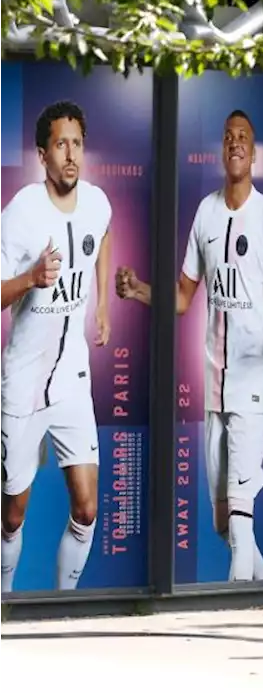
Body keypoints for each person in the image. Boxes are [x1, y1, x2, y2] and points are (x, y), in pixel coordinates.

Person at [117, 109, 263, 582]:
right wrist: (137, 291)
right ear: (223, 149)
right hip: (214, 379)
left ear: (253, 154)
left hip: (252, 377)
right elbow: (182, 297)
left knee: (239, 502)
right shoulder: (206, 213)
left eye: (244, 138)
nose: (235, 143)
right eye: (228, 136)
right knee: (222, 520)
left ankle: (233, 596)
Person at [0, 101, 113, 592]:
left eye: (78, 144)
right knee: (11, 515)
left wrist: (103, 304)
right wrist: (29, 278)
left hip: (72, 380)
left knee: (87, 508)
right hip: (23, 383)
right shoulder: (22, 212)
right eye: (61, 145)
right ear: (42, 154)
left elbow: (103, 234)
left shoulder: (96, 202)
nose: (71, 155)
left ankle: (62, 606)